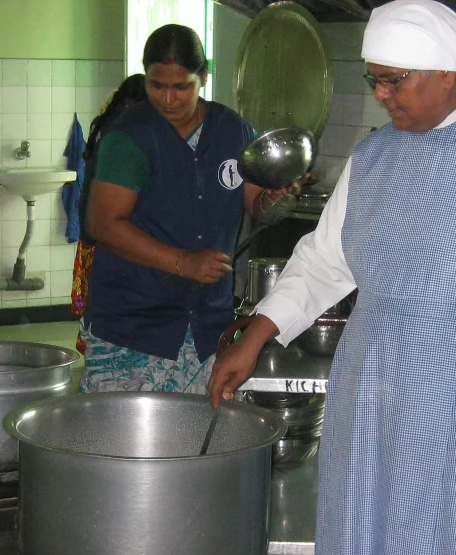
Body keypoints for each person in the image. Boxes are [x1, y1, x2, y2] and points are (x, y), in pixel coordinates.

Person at [208, 1, 456, 554]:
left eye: (395, 81)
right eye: (375, 81)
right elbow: (323, 260)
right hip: (375, 388)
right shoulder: (374, 156)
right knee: (374, 520)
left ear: (447, 71)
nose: (381, 95)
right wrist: (258, 333)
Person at [79, 24, 298, 394]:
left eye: (181, 86)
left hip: (205, 329)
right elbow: (103, 224)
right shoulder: (130, 137)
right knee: (124, 443)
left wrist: (278, 197)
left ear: (204, 78)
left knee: (197, 442)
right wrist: (183, 262)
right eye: (156, 85)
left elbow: (258, 206)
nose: (168, 99)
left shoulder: (232, 131)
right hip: (132, 329)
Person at [70, 73, 147, 354]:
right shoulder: (121, 133)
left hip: (92, 230)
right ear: (130, 103)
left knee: (98, 301)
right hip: (107, 234)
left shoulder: (106, 124)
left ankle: (98, 346)